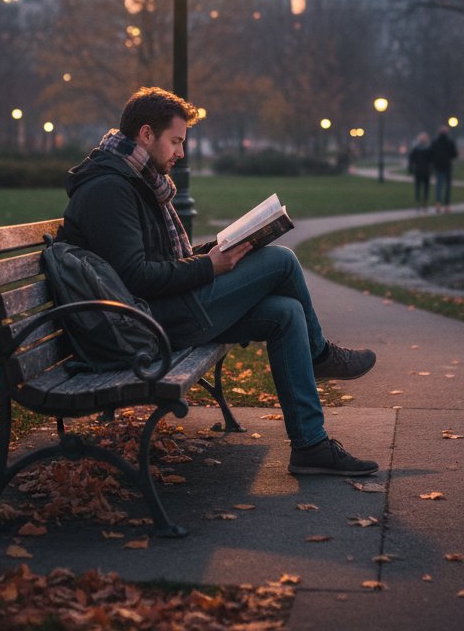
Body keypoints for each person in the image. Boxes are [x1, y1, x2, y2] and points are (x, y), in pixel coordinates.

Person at [60, 87, 378, 477]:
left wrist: (217, 249)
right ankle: (320, 357)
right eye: (175, 142)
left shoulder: (134, 179)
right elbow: (136, 276)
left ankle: (310, 445)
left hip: (162, 311)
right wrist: (210, 266)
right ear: (146, 134)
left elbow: (159, 260)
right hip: (147, 325)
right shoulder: (110, 188)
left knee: (287, 312)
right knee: (281, 261)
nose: (180, 153)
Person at [430, 126, 458, 213]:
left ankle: (438, 204)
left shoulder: (435, 142)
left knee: (439, 186)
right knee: (447, 187)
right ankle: (447, 206)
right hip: (447, 166)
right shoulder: (450, 142)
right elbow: (454, 154)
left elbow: (431, 154)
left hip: (438, 166)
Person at [408, 133, 432, 210]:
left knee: (418, 188)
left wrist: (411, 168)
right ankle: (425, 202)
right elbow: (431, 160)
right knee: (426, 188)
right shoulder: (428, 149)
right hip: (426, 171)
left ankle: (417, 202)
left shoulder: (416, 149)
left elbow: (411, 159)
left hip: (418, 170)